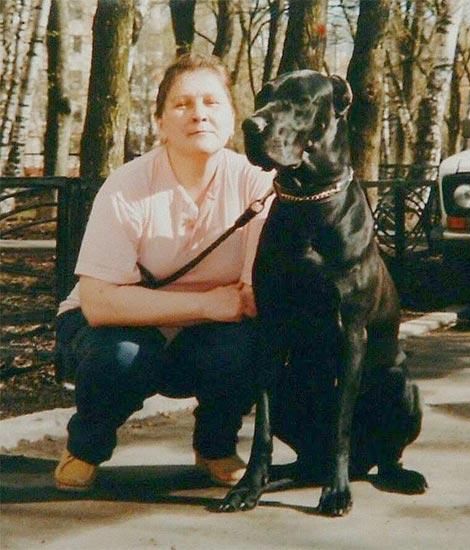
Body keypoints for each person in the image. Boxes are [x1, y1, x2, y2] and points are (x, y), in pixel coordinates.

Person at [53, 53, 274, 491]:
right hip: (114, 332)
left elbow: (249, 297)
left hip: (206, 335)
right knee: (122, 356)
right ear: (160, 122)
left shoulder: (257, 184)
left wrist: (223, 306)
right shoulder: (127, 185)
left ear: (232, 117)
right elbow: (98, 303)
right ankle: (86, 447)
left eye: (212, 102)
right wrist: (207, 303)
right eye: (182, 104)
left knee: (246, 347)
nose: (199, 114)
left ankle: (215, 446)